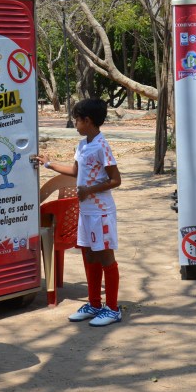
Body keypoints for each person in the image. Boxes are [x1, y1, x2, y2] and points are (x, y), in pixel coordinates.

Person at [32, 98, 123, 327]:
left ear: (87, 120)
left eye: (77, 119)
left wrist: (90, 190)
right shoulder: (82, 145)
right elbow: (76, 171)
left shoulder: (102, 146)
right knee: (89, 254)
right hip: (86, 211)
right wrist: (49, 164)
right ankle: (94, 304)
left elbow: (115, 179)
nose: (74, 123)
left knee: (105, 257)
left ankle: (113, 309)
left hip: (101, 212)